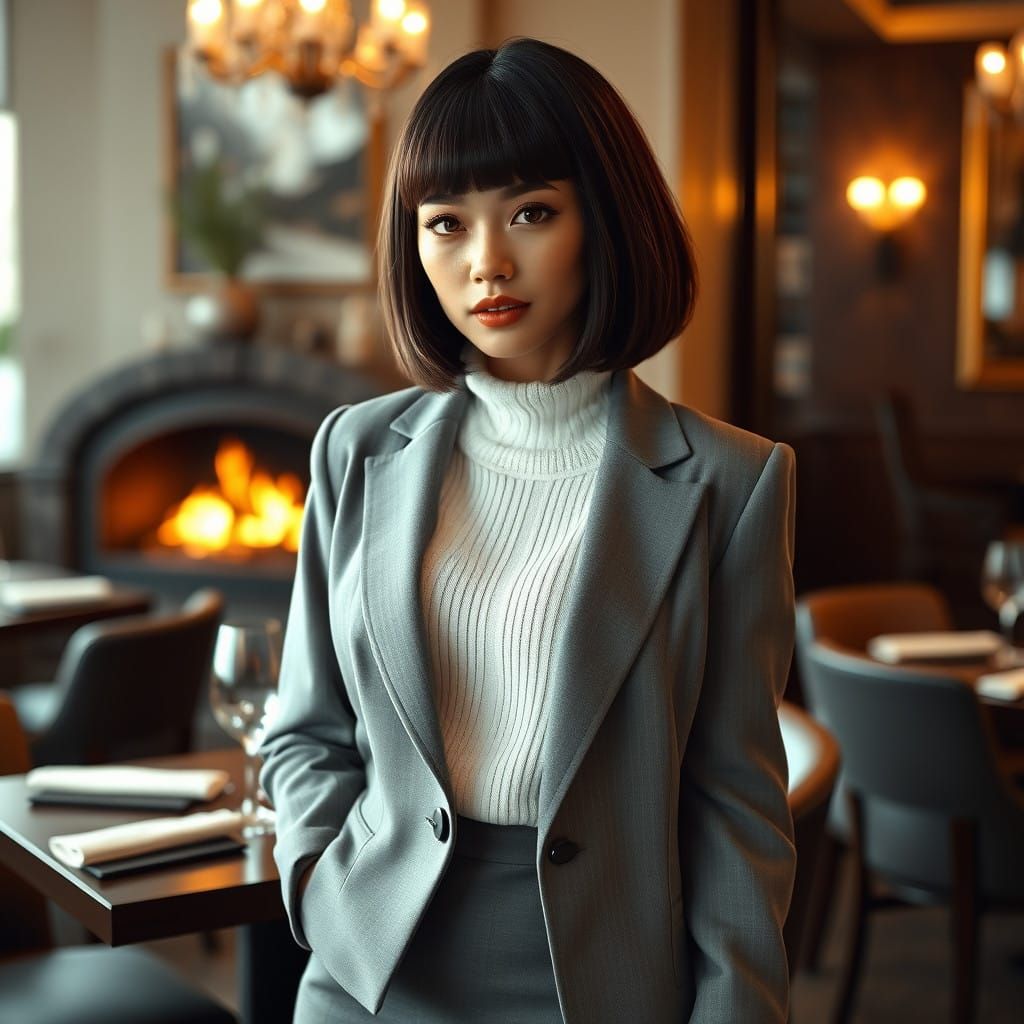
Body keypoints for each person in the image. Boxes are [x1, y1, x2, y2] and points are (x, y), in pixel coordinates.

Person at [260, 36, 797, 1024]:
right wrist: (316, 882)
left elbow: (736, 806)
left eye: (531, 212)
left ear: (606, 217)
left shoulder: (733, 481)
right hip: (369, 971)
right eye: (444, 224)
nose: (486, 262)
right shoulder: (355, 449)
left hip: (601, 981)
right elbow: (304, 729)